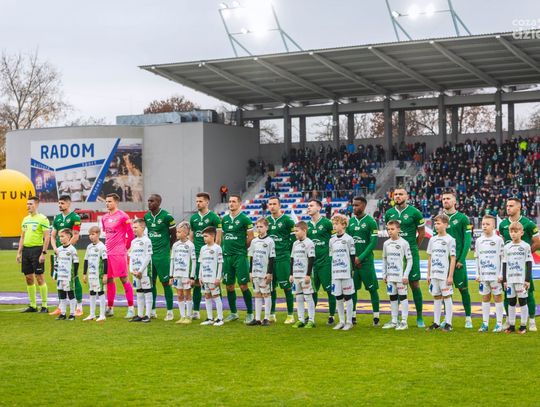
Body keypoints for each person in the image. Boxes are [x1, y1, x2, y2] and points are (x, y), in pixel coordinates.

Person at [384, 188, 426, 327]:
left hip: (410, 251)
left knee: (414, 283)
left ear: (407, 196)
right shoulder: (389, 213)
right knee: (395, 284)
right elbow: (389, 231)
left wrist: (413, 246)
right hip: (394, 253)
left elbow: (421, 233)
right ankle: (395, 318)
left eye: (400, 194)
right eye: (395, 194)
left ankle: (419, 317)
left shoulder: (415, 212)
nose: (397, 196)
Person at [498, 198, 540, 331]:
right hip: (508, 266)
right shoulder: (503, 224)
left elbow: (537, 242)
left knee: (528, 293)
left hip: (523, 267)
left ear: (519, 207)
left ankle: (531, 321)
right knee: (507, 294)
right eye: (507, 206)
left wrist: (523, 256)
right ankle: (508, 321)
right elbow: (503, 243)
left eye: (511, 206)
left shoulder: (528, 223)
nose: (508, 208)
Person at [440, 191, 473, 328]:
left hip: (458, 261)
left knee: (463, 289)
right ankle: (447, 318)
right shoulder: (439, 219)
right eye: (443, 199)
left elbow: (467, 241)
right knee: (445, 292)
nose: (445, 200)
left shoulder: (463, 218)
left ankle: (468, 318)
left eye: (448, 198)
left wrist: (461, 259)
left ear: (454, 202)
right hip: (443, 263)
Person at [221, 194, 255, 323]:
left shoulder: (245, 219)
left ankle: (250, 313)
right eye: (230, 201)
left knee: (243, 285)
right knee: (229, 286)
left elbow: (250, 237)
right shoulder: (224, 219)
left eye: (234, 201)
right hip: (227, 257)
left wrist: (242, 248)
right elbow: (223, 236)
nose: (231, 203)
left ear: (239, 204)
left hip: (240, 256)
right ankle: (233, 313)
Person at [347, 196, 380, 326]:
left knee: (372, 289)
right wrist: (353, 258)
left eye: (357, 205)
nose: (354, 207)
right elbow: (348, 242)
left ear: (364, 206)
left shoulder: (371, 222)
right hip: (353, 263)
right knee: (352, 290)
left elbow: (373, 243)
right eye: (353, 205)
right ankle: (353, 316)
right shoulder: (350, 222)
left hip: (366, 262)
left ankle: (376, 317)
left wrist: (360, 258)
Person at [101, 193, 135, 318]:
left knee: (124, 279)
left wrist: (125, 248)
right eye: (106, 201)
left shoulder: (123, 216)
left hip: (119, 253)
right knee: (109, 280)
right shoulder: (104, 218)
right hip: (107, 253)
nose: (107, 203)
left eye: (109, 201)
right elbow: (107, 234)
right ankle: (110, 308)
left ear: (116, 202)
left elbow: (131, 235)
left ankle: (131, 308)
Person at [189, 192, 222, 320]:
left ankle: (219, 314)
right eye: (197, 201)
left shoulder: (214, 217)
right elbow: (191, 237)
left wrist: (214, 252)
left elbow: (218, 238)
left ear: (207, 202)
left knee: (214, 283)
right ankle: (196, 311)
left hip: (211, 256)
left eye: (200, 201)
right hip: (198, 255)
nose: (198, 203)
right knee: (197, 282)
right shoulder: (193, 218)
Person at [143, 194, 176, 321]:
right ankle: (152, 311)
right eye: (148, 201)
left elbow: (174, 235)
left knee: (165, 283)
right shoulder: (146, 217)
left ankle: (170, 312)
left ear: (158, 202)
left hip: (162, 256)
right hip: (150, 255)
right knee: (150, 283)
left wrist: (168, 248)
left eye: (152, 201)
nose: (149, 203)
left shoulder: (167, 216)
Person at [16, 196, 51, 313]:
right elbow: (22, 237)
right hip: (26, 251)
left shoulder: (43, 219)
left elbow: (47, 237)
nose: (28, 206)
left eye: (30, 204)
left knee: (39, 277)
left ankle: (44, 306)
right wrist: (19, 252)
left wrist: (43, 253)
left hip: (37, 250)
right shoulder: (25, 219)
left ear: (36, 205)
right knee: (28, 278)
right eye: (27, 204)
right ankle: (33, 305)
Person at [50, 195, 83, 316]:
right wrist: (55, 249)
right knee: (60, 278)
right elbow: (53, 236)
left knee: (74, 278)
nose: (60, 205)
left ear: (69, 204)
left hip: (69, 254)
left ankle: (79, 306)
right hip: (59, 254)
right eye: (59, 203)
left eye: (62, 203)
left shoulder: (75, 217)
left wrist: (67, 249)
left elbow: (76, 235)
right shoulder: (57, 218)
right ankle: (61, 306)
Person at [306, 199, 336, 325]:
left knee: (329, 290)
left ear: (319, 208)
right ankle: (311, 316)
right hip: (312, 263)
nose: (308, 207)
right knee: (312, 290)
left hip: (325, 262)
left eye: (311, 205)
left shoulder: (327, 223)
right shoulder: (307, 225)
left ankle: (331, 315)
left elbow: (335, 240)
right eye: (308, 206)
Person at [267, 196, 296, 323]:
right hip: (270, 259)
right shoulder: (267, 221)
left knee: (286, 287)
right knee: (271, 287)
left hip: (283, 258)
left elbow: (294, 239)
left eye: (274, 204)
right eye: (270, 204)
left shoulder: (288, 221)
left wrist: (287, 251)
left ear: (279, 205)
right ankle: (272, 314)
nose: (272, 206)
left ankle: (290, 315)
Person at [474, 215, 504, 333]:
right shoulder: (479, 240)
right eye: (483, 224)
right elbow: (477, 258)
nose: (484, 226)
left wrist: (501, 274)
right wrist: (477, 273)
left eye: (487, 224)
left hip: (495, 276)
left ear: (493, 226)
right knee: (485, 297)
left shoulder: (498, 240)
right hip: (483, 275)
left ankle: (499, 323)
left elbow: (502, 258)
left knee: (497, 297)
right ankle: (485, 323)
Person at [426, 214, 456, 332]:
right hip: (434, 274)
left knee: (447, 296)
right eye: (435, 223)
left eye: (438, 223)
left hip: (444, 275)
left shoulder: (450, 239)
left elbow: (453, 258)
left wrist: (450, 276)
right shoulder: (432, 239)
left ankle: (449, 323)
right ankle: (436, 322)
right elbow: (430, 257)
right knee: (436, 297)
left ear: (446, 225)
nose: (436, 225)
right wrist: (428, 274)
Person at [502, 222, 533, 334]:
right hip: (510, 280)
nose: (513, 234)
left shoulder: (525, 246)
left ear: (521, 233)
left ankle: (523, 325)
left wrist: (527, 280)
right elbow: (504, 264)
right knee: (511, 301)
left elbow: (529, 263)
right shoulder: (507, 247)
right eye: (511, 232)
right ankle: (511, 325)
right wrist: (504, 280)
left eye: (516, 231)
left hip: (521, 280)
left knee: (523, 301)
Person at [381, 220, 412, 330]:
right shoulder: (386, 243)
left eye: (392, 229)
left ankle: (404, 322)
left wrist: (405, 275)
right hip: (390, 276)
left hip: (400, 277)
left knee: (403, 298)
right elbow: (384, 259)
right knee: (393, 297)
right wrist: (384, 274)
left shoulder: (404, 243)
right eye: (388, 229)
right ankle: (394, 321)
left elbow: (410, 260)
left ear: (398, 230)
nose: (390, 231)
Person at [329, 214, 356, 331]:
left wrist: (352, 270)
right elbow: (331, 256)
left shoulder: (349, 239)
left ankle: (349, 322)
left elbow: (352, 255)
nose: (334, 226)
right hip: (335, 272)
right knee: (338, 297)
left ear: (344, 225)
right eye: (333, 224)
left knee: (348, 296)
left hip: (346, 272)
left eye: (336, 224)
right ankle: (341, 321)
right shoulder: (331, 240)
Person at [247, 217, 275, 326]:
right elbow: (251, 257)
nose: (259, 229)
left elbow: (271, 258)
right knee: (257, 294)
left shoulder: (270, 241)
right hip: (255, 272)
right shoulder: (254, 241)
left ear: (266, 228)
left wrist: (269, 273)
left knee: (266, 294)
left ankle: (266, 318)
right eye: (257, 227)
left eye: (261, 227)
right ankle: (257, 319)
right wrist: (250, 272)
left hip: (264, 273)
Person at [290, 221, 316, 329]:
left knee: (308, 297)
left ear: (304, 231)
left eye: (297, 231)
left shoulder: (309, 243)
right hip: (296, 275)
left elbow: (311, 259)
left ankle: (311, 320)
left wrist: (308, 275)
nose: (295, 233)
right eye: (294, 231)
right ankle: (300, 319)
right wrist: (291, 274)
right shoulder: (295, 244)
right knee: (298, 297)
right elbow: (292, 259)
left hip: (305, 275)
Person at [170, 222, 196, 324]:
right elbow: (172, 260)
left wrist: (192, 276)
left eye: (179, 232)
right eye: (177, 231)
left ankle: (189, 316)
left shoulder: (190, 245)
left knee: (187, 294)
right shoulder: (175, 245)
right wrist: (171, 275)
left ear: (185, 233)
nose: (177, 233)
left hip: (186, 275)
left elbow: (193, 261)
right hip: (177, 274)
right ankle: (182, 316)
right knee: (179, 294)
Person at [128, 219, 153, 323]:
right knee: (139, 292)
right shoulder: (133, 241)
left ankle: (148, 315)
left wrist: (141, 271)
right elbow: (131, 256)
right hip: (135, 271)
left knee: (147, 291)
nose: (134, 229)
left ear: (142, 227)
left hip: (145, 271)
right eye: (133, 227)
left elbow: (148, 257)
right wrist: (131, 270)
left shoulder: (147, 241)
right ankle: (140, 314)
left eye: (136, 227)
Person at [198, 226, 224, 326]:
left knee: (216, 296)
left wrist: (218, 277)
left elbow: (220, 263)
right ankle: (209, 318)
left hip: (213, 278)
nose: (204, 238)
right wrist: (200, 276)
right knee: (207, 296)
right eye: (203, 236)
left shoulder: (217, 248)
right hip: (205, 277)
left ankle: (220, 318)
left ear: (212, 236)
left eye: (206, 236)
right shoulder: (203, 248)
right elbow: (201, 263)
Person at [82, 226, 108, 322]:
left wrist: (105, 275)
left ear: (98, 234)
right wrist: (84, 274)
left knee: (100, 292)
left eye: (93, 234)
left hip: (99, 275)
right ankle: (92, 314)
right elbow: (86, 260)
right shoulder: (89, 247)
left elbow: (105, 261)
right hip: (91, 275)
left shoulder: (102, 247)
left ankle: (102, 315)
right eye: (89, 234)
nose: (91, 236)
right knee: (92, 293)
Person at [53, 229, 79, 320]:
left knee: (71, 294)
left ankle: (72, 314)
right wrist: (55, 274)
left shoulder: (72, 249)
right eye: (59, 236)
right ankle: (63, 314)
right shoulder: (58, 250)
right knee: (62, 294)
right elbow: (56, 263)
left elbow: (76, 262)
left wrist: (74, 274)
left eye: (62, 236)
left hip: (69, 276)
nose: (60, 238)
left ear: (68, 237)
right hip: (60, 276)